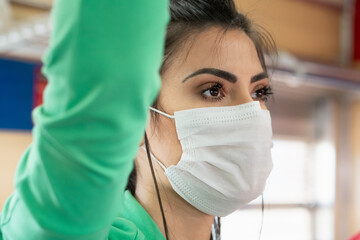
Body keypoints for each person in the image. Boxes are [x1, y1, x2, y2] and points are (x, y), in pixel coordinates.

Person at [0, 0, 276, 239]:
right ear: (135, 112)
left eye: (259, 92)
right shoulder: (64, 228)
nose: (251, 114)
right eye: (213, 90)